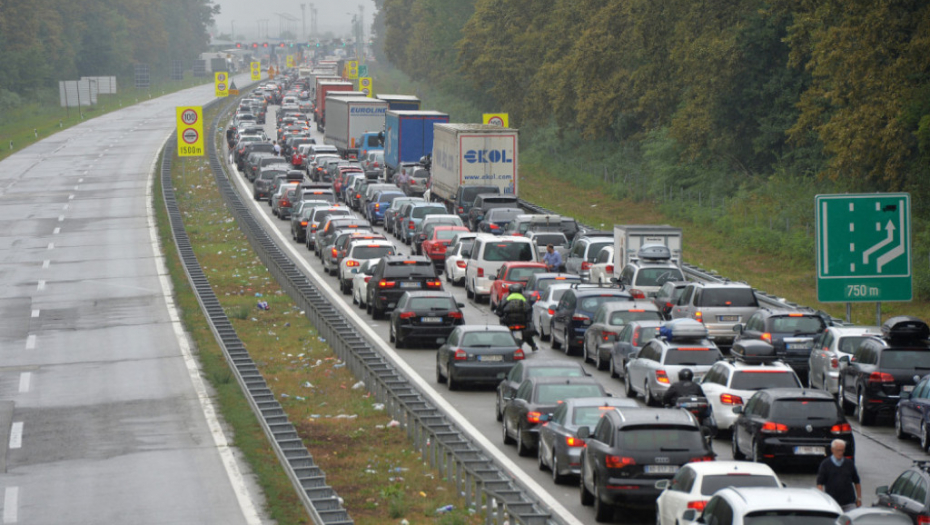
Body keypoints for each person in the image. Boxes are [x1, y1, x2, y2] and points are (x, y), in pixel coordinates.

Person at [817, 439, 861, 512]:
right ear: (832, 450)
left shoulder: (849, 463)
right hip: (833, 503)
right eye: (838, 450)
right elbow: (820, 484)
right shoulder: (825, 464)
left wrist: (859, 498)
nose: (840, 453)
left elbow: (857, 481)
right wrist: (823, 500)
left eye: (842, 450)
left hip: (849, 502)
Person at [495, 283, 538, 351]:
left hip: (509, 322)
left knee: (504, 331)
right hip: (522, 322)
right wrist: (527, 318)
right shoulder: (524, 299)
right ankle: (533, 345)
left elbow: (499, 311)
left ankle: (502, 344)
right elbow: (529, 309)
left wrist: (500, 314)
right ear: (521, 291)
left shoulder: (506, 299)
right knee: (527, 333)